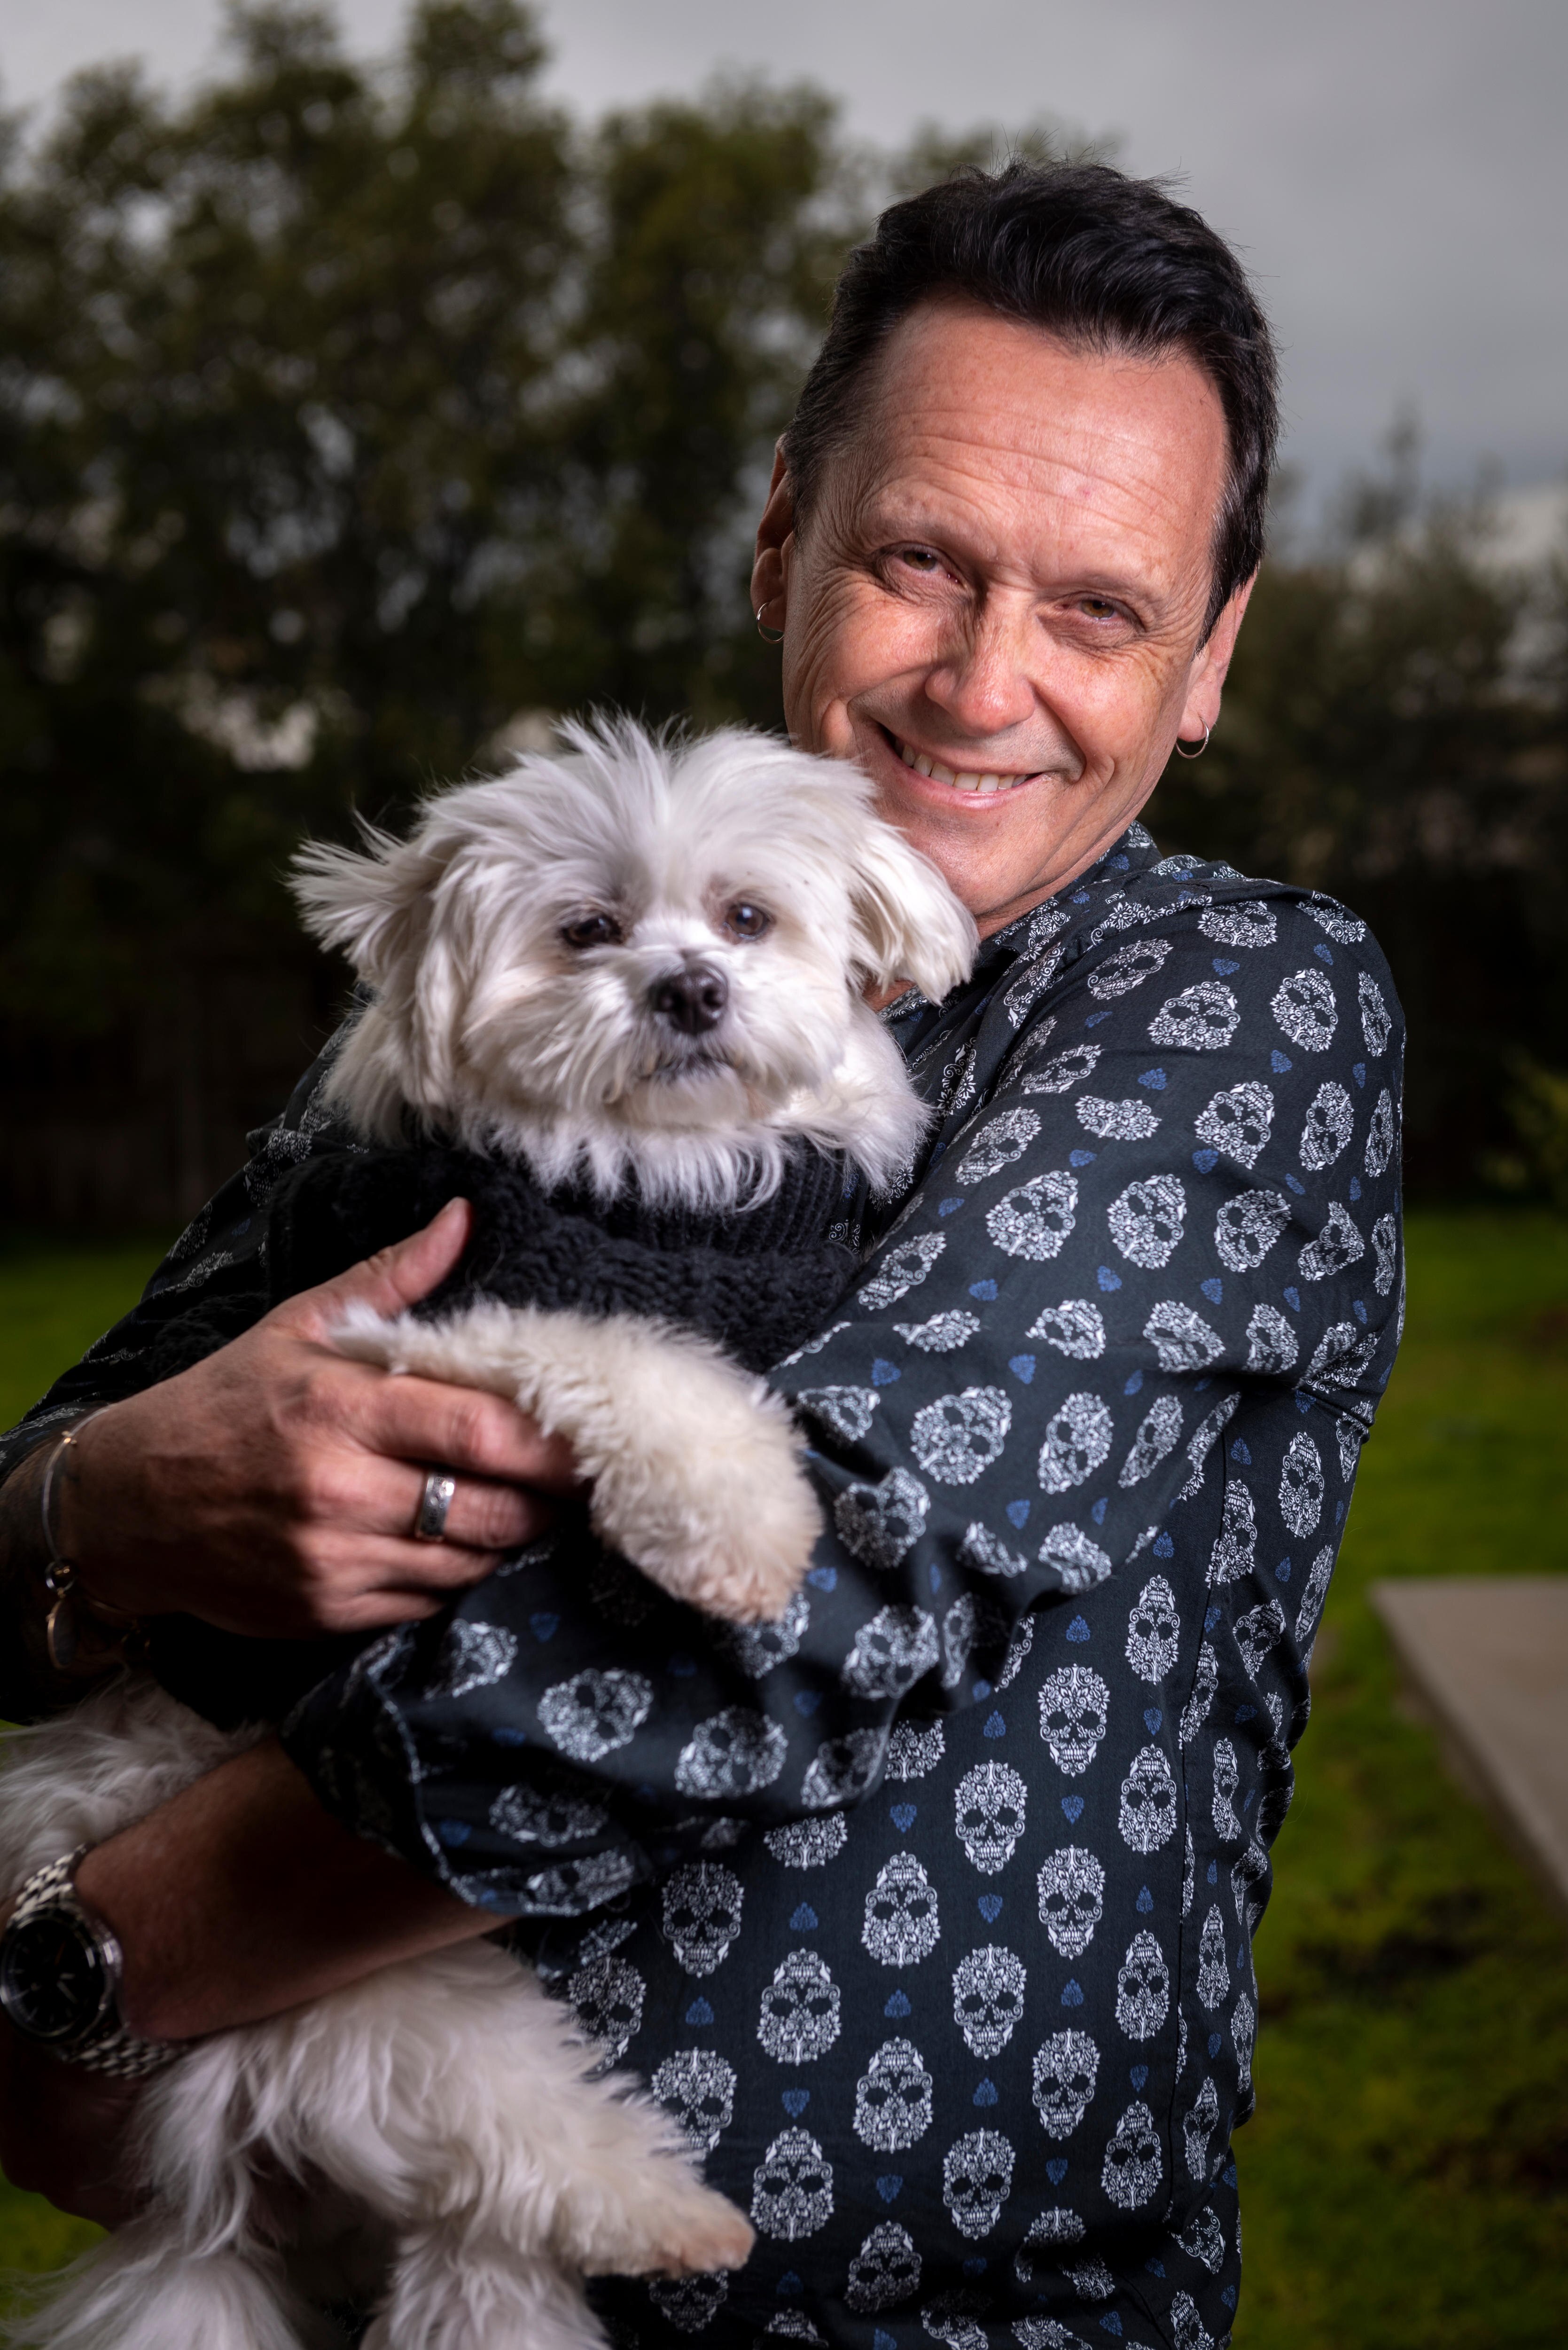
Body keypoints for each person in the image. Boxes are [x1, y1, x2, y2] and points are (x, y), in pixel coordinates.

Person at [0, 163, 1403, 2347]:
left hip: (932, 2316)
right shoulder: (518, 964)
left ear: (1210, 657)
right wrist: (102, 1505)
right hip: (349, 2277)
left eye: (1099, 610)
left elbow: (793, 1597)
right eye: (920, 559)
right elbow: (74, 1466)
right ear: (783, 536)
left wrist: (86, 1970)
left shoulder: (1233, 1010)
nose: (981, 678)